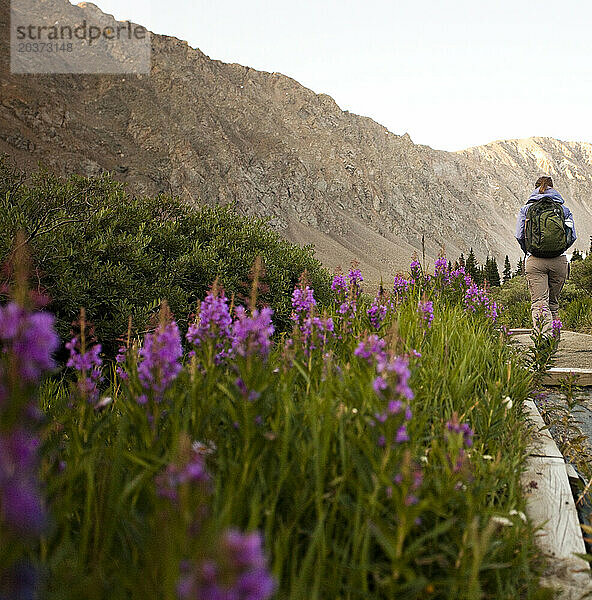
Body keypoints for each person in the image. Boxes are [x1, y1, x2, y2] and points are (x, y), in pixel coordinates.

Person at [515, 176, 577, 336]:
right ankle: (553, 344)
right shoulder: (564, 210)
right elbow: (572, 236)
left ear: (536, 188)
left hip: (535, 261)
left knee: (539, 303)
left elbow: (519, 235)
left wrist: (529, 250)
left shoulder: (526, 209)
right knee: (553, 304)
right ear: (552, 187)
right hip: (559, 261)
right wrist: (560, 249)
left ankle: (543, 341)